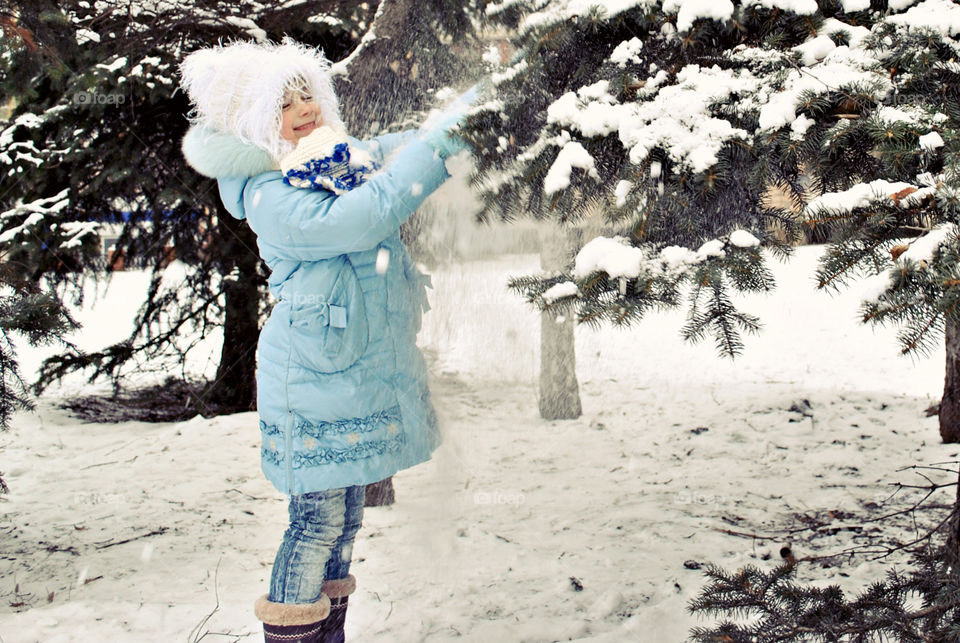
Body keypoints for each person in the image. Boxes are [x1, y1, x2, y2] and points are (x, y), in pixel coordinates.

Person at [178, 39, 469, 643]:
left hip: (344, 370)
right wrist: (435, 153)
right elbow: (360, 218)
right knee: (314, 522)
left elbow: (389, 153)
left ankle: (326, 635)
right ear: (256, 123)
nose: (305, 106)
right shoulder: (269, 193)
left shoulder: (328, 157)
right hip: (312, 378)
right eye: (284, 102)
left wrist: (453, 122)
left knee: (345, 520)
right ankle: (293, 636)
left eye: (308, 90)